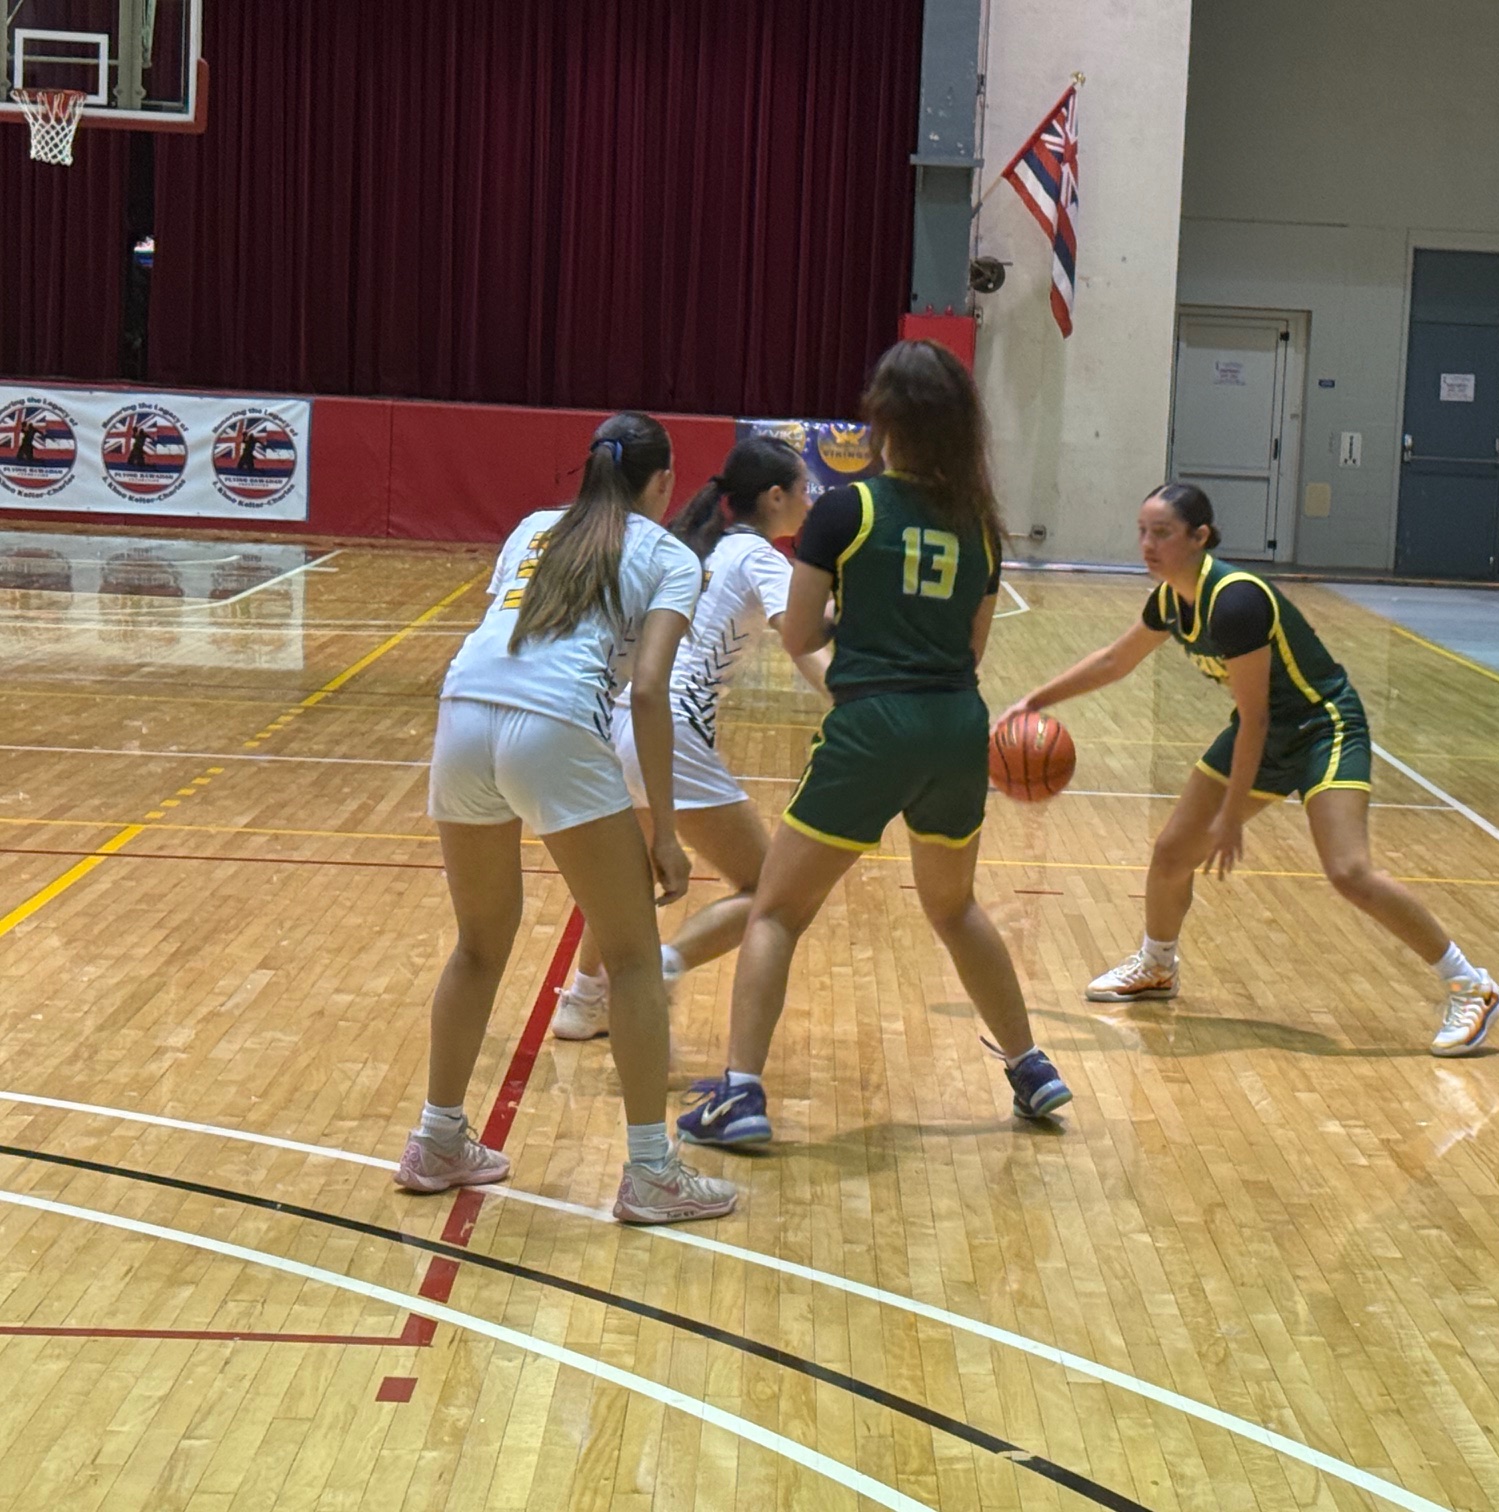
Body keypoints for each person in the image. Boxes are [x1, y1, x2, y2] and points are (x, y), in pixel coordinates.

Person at [678, 340, 1072, 1145]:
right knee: (954, 906)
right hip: (958, 727)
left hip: (873, 725)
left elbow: (799, 632)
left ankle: (741, 1095)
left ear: (883, 419)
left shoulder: (845, 511)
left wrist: (855, 629)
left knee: (778, 914)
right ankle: (1032, 1067)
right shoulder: (982, 527)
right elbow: (970, 651)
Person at [999, 483, 1499, 1057]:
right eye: (1142, 531)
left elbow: (1257, 716)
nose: (1147, 544)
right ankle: (1158, 966)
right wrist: (1036, 701)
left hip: (1321, 725)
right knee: (1171, 854)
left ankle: (1472, 985)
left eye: (1161, 533)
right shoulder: (1170, 599)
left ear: (1200, 537)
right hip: (1263, 731)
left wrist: (1232, 818)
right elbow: (1117, 659)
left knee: (1348, 871)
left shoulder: (1236, 601)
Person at [395, 411, 737, 1224]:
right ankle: (651, 1172)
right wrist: (662, 832)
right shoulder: (669, 555)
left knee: (479, 944)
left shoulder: (530, 530)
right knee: (628, 959)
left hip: (463, 713)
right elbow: (649, 690)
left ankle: (438, 1138)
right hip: (550, 726)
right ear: (663, 483)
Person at [552, 436, 831, 1039]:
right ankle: (664, 964)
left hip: (619, 716)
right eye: (804, 490)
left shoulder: (693, 548)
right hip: (670, 726)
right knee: (768, 891)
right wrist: (850, 697)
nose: (810, 502)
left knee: (626, 874)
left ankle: (582, 1000)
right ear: (775, 496)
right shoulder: (758, 558)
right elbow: (803, 640)